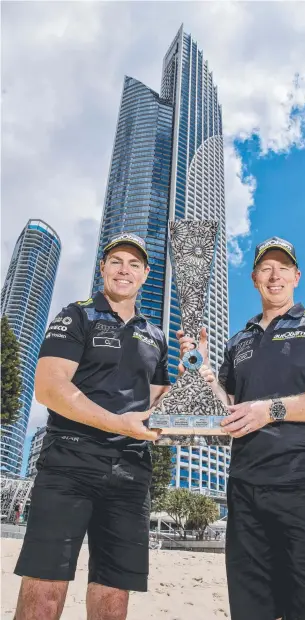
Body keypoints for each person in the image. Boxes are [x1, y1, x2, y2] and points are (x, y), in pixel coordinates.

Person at [179, 236, 305, 620]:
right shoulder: (238, 341)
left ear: (296, 276)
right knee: (253, 610)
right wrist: (202, 372)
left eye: (283, 268)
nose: (274, 275)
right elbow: (227, 411)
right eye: (266, 268)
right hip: (245, 489)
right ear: (255, 277)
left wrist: (272, 410)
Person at [13, 233, 171, 620]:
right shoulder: (77, 314)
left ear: (146, 274)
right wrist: (118, 421)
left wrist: (189, 381)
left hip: (132, 468)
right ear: (102, 268)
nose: (124, 269)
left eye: (134, 264)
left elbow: (154, 404)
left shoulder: (156, 335)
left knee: (114, 597)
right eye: (116, 260)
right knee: (45, 591)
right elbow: (50, 388)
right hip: (70, 460)